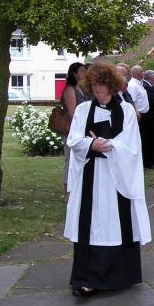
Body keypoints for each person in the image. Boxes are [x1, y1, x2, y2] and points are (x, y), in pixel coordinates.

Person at [64, 62, 151, 297]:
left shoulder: (126, 111)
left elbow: (131, 145)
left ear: (111, 85)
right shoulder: (83, 111)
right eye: (93, 85)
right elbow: (74, 140)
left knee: (116, 224)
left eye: (101, 84)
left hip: (116, 177)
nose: (97, 89)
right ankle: (85, 278)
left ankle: (118, 277)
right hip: (91, 175)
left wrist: (108, 144)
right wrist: (91, 143)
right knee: (90, 225)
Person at [61, 62, 91, 203]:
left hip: (81, 129)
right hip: (71, 130)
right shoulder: (70, 89)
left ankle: (76, 188)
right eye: (81, 71)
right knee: (70, 159)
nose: (84, 73)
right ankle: (67, 192)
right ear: (74, 73)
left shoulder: (82, 89)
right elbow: (73, 112)